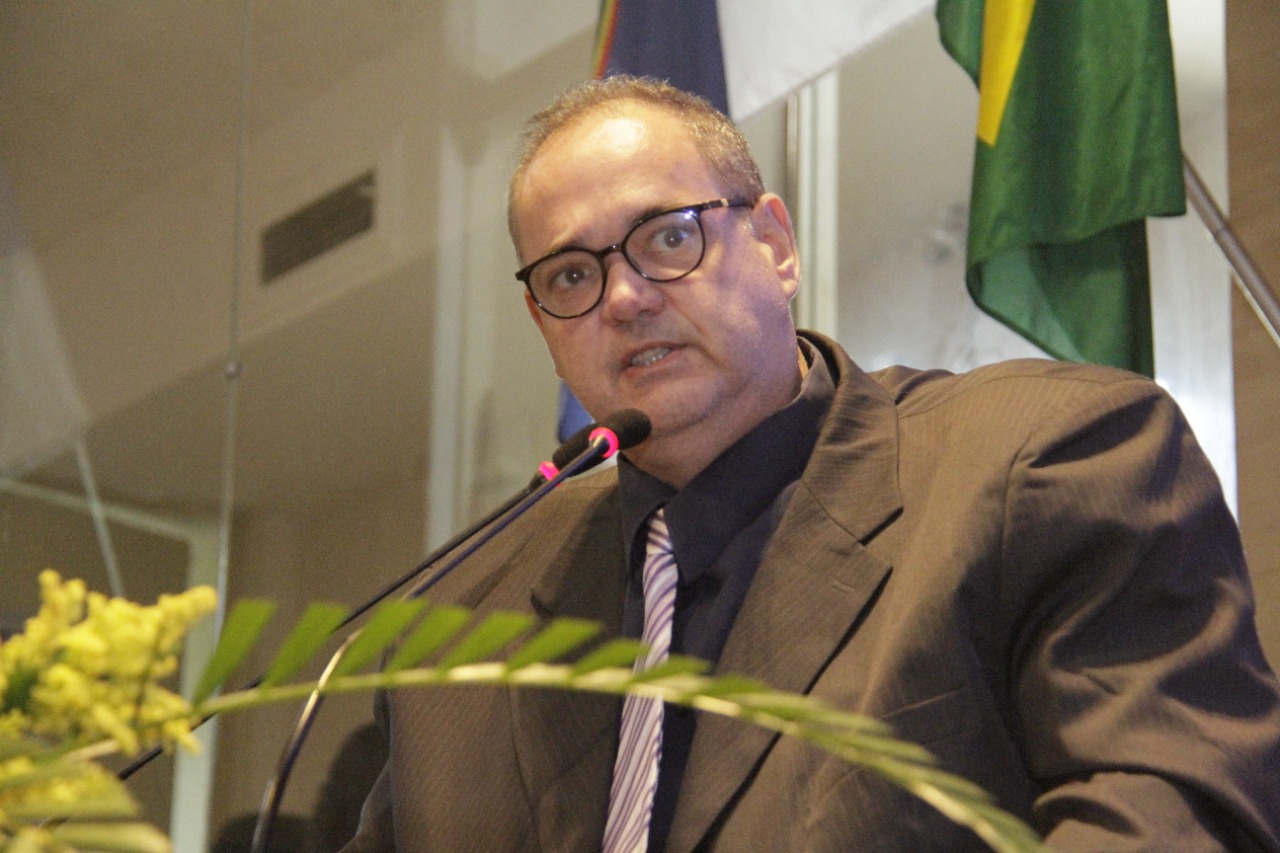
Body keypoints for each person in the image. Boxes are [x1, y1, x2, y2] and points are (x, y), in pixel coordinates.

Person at [342, 75, 1280, 852]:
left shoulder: (1045, 458)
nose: (623, 298)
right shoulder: (458, 634)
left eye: (667, 236)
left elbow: (1175, 820)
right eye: (572, 275)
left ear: (775, 246)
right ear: (544, 324)